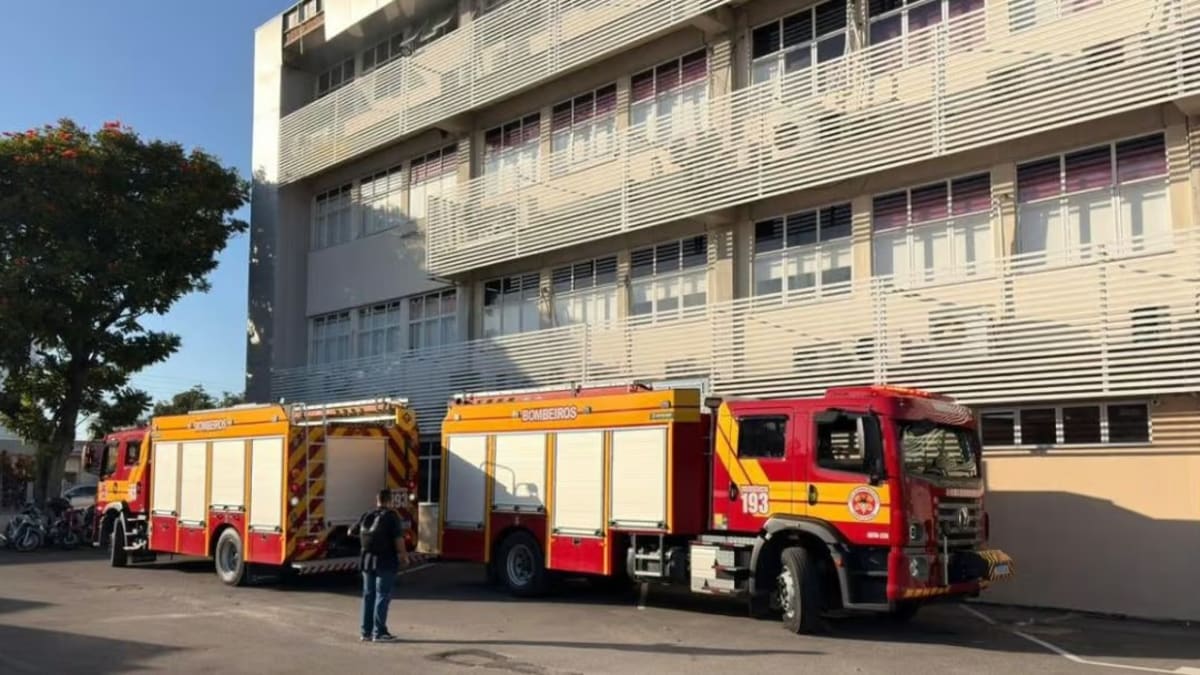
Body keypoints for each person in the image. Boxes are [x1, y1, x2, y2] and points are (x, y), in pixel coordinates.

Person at [351, 488, 408, 642]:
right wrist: (403, 555)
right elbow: (398, 539)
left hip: (367, 560)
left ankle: (366, 632)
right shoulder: (392, 517)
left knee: (368, 595)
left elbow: (351, 531)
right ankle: (379, 632)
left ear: (377, 500)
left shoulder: (367, 514)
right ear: (390, 501)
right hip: (385, 560)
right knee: (382, 595)